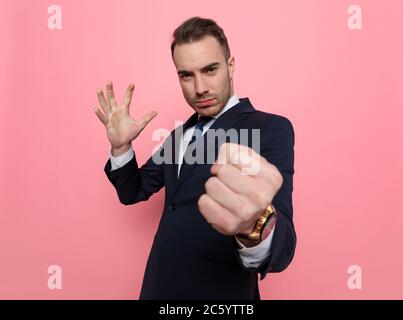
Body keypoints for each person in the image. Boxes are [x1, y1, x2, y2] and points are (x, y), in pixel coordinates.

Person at [93, 16, 296, 300]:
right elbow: (133, 191)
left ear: (231, 65)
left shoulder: (269, 128)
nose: (199, 87)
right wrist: (121, 148)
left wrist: (255, 224)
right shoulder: (178, 136)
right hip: (158, 289)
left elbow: (283, 244)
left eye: (210, 69)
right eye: (186, 75)